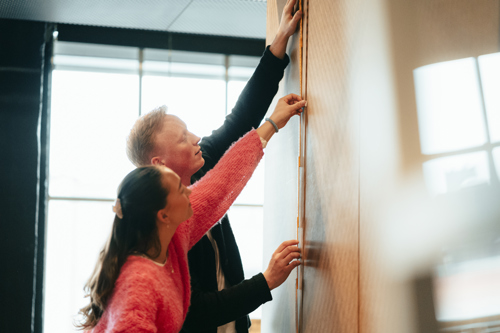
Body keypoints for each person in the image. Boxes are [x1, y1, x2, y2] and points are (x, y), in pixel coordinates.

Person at [126, 1, 304, 331]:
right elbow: (195, 311)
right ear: (159, 163)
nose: (196, 138)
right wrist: (266, 281)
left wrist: (278, 44)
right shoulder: (160, 229)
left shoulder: (201, 163)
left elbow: (239, 120)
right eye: (182, 138)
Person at [77, 99, 304, 332]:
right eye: (179, 188)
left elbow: (221, 182)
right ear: (163, 215)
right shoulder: (139, 282)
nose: (190, 190)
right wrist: (266, 281)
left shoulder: (173, 233)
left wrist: (272, 124)